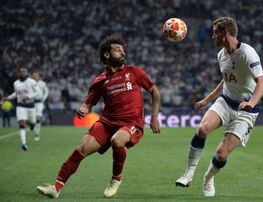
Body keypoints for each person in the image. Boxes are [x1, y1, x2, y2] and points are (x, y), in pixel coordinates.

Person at [37, 34, 160, 199]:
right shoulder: (99, 81)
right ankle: (56, 188)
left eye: (123, 51)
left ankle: (116, 179)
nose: (123, 53)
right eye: (118, 50)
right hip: (107, 122)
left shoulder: (134, 72)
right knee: (81, 149)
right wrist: (83, 108)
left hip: (131, 122)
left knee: (117, 140)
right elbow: (88, 103)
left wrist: (154, 116)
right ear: (107, 55)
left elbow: (154, 91)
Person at [175, 17, 263, 197]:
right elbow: (226, 79)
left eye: (215, 32)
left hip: (246, 111)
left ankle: (208, 178)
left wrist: (251, 103)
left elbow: (262, 82)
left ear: (226, 32)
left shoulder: (247, 53)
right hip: (226, 101)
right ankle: (189, 173)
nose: (212, 36)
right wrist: (208, 99)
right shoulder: (221, 54)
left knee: (221, 153)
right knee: (202, 129)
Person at [3, 68, 39, 150]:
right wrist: (8, 98)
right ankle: (24, 143)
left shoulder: (31, 82)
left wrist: (29, 97)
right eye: (21, 72)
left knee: (33, 123)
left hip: (31, 106)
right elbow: (16, 93)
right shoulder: (16, 83)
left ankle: (32, 125)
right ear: (19, 74)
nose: (22, 73)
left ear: (26, 73)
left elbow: (37, 92)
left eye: (24, 72)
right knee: (22, 123)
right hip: (21, 106)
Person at [32, 69, 49, 141]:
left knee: (38, 117)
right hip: (32, 102)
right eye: (34, 75)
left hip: (39, 103)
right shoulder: (30, 83)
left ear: (38, 76)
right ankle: (35, 131)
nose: (35, 76)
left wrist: (44, 98)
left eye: (36, 75)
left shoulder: (42, 83)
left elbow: (46, 91)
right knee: (33, 119)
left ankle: (37, 134)